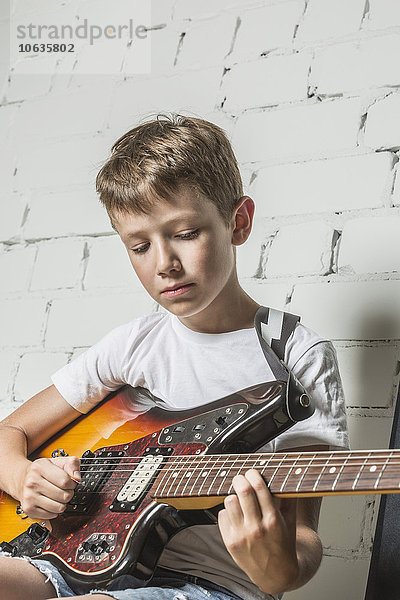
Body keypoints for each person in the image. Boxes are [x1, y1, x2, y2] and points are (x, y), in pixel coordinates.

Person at [0, 114, 348, 600]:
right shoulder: (134, 344)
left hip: (212, 585)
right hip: (77, 556)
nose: (164, 263)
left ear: (238, 222)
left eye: (185, 233)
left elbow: (303, 540)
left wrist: (277, 568)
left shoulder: (295, 354)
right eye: (139, 246)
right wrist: (24, 477)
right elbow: (8, 434)